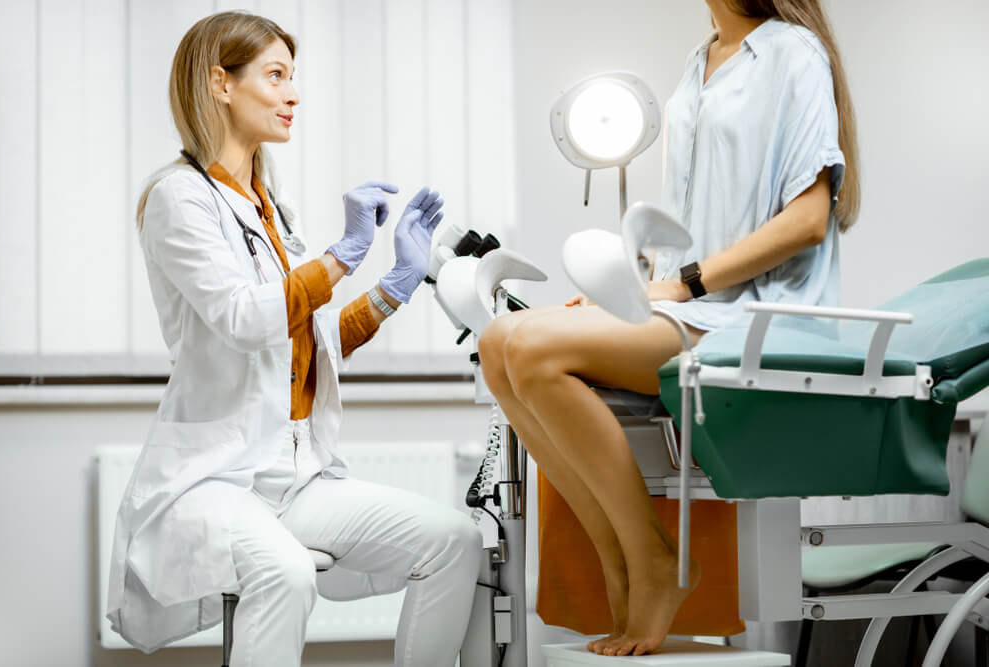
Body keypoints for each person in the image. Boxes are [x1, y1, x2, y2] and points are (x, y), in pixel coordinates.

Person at [479, 0, 859, 657]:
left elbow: (808, 220)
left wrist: (681, 283)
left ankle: (655, 563)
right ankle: (624, 562)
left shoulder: (794, 53)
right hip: (688, 307)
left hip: (753, 320)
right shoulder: (700, 62)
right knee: (499, 344)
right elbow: (689, 217)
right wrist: (619, 301)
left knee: (535, 353)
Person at [106, 11, 482, 667]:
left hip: (293, 474)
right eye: (275, 75)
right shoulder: (179, 197)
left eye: (293, 76)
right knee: (283, 571)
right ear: (220, 84)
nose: (293, 93)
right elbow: (244, 318)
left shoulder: (271, 207)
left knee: (453, 539)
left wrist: (396, 280)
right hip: (214, 477)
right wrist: (341, 255)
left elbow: (310, 337)